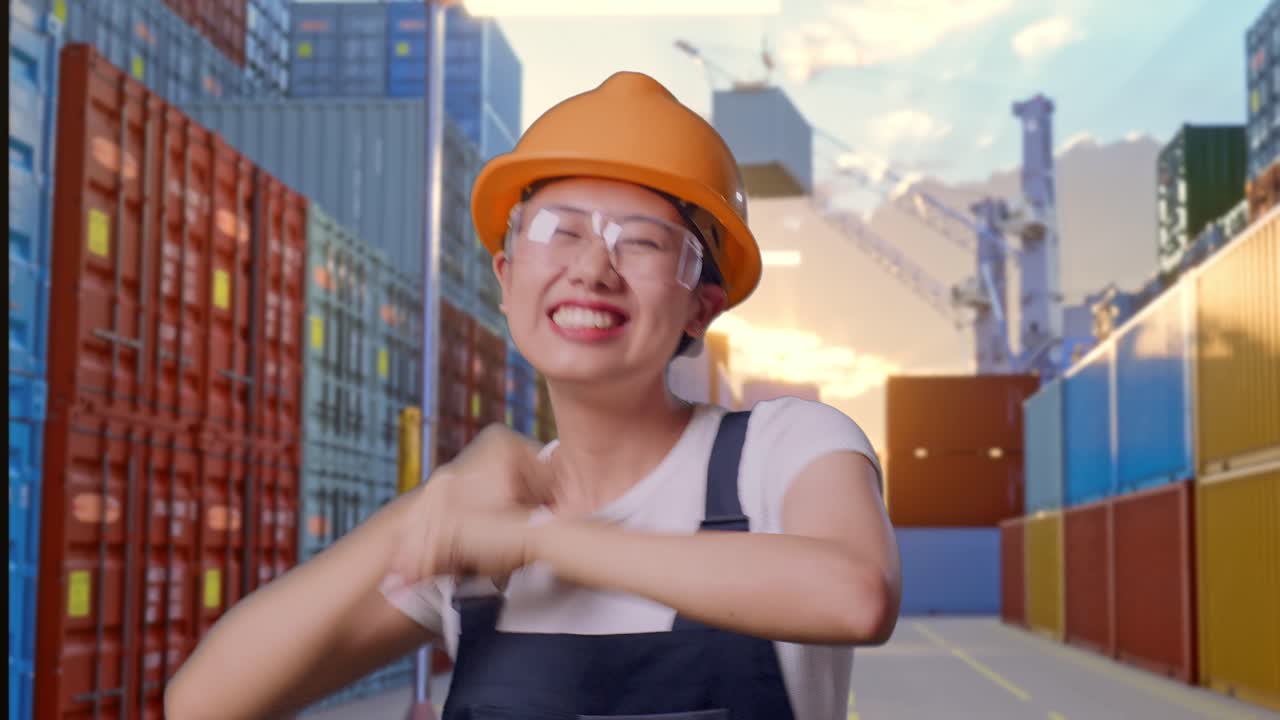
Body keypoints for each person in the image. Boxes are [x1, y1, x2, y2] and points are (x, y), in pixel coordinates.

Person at [166, 71, 901, 720]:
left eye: (641, 242)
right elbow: (205, 703)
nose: (592, 268)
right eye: (558, 231)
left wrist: (539, 540)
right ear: (505, 278)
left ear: (701, 308)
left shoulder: (782, 449)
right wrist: (430, 507)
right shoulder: (474, 523)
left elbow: (855, 594)